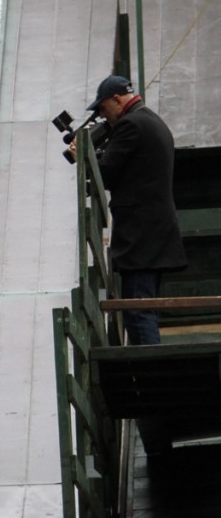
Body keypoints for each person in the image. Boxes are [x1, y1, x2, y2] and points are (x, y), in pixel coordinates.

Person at [84, 74, 187, 345]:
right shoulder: (149, 121)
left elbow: (103, 173)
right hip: (152, 232)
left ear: (117, 100)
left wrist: (83, 154)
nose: (104, 117)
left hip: (142, 235)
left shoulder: (131, 125)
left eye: (104, 109)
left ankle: (153, 374)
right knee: (142, 307)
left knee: (138, 309)